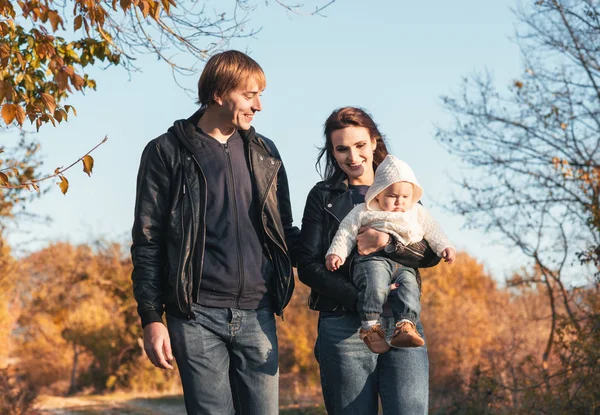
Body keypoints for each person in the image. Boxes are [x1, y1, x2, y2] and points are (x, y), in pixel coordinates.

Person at [130, 50, 300, 415]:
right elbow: (148, 240)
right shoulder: (167, 151)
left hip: (258, 312)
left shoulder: (265, 152)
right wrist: (151, 318)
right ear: (220, 93)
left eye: (259, 95)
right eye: (250, 94)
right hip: (195, 315)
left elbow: (283, 230)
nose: (259, 106)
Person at [297, 106, 440, 415]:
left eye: (360, 145)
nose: (353, 156)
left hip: (404, 324)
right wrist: (361, 298)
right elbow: (307, 265)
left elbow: (429, 254)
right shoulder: (323, 196)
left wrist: (387, 243)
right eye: (342, 149)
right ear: (333, 153)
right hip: (343, 326)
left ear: (374, 142)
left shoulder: (404, 191)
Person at [325, 154, 456, 354]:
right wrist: (336, 253)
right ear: (378, 194)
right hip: (373, 260)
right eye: (392, 196)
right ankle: (370, 326)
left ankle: (405, 325)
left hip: (404, 263)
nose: (399, 202)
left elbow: (433, 231)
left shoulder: (416, 213)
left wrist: (445, 247)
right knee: (375, 284)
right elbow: (346, 231)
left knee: (409, 288)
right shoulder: (364, 210)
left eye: (405, 197)